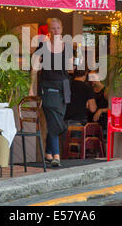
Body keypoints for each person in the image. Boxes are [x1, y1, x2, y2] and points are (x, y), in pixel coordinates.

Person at [29, 18, 72, 167]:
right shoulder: (43, 45)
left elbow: (70, 69)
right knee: (55, 121)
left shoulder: (67, 46)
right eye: (53, 28)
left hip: (64, 89)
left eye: (58, 28)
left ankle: (48, 153)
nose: (55, 31)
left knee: (55, 120)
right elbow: (34, 67)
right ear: (48, 30)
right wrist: (31, 87)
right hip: (48, 88)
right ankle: (56, 156)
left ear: (62, 29)